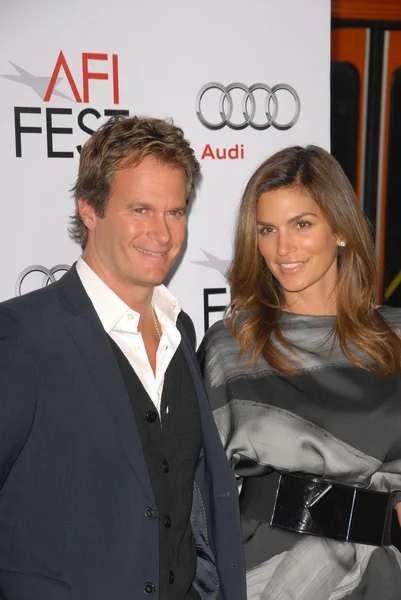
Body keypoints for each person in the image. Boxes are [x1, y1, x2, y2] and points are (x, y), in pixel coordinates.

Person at [0, 115, 246, 600]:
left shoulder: (182, 330)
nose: (162, 233)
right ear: (89, 209)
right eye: (140, 209)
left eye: (175, 212)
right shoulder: (22, 336)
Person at [198, 145, 401, 600]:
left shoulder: (396, 338)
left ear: (342, 230)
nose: (282, 248)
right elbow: (196, 490)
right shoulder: (233, 346)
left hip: (384, 576)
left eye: (301, 225)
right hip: (267, 572)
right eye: (267, 230)